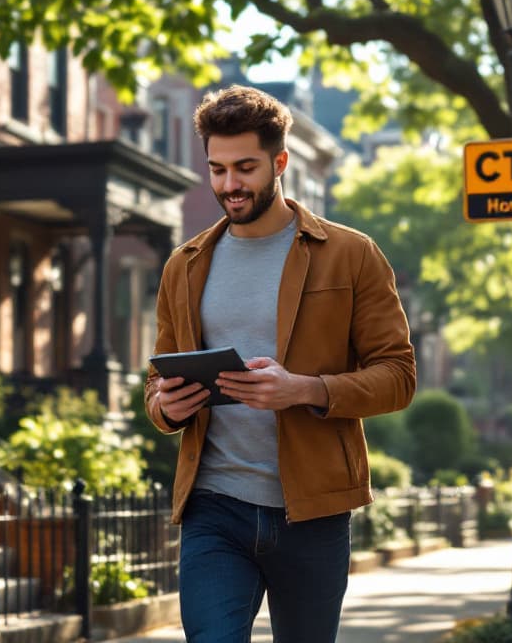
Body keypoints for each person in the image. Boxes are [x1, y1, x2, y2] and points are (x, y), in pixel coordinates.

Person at [144, 85, 417, 643]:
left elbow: (399, 376)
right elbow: (157, 380)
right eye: (217, 169)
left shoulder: (351, 254)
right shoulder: (184, 265)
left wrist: (306, 389)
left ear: (280, 162)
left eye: (244, 168)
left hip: (313, 513)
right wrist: (163, 406)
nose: (229, 185)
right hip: (213, 508)